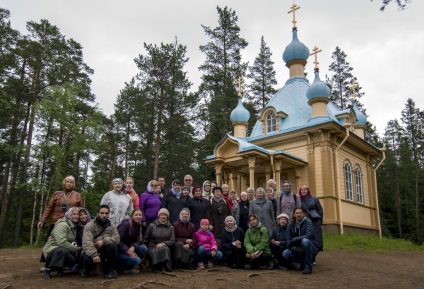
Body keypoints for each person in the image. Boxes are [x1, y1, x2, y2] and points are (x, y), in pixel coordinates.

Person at [37, 176, 84, 242]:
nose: (69, 183)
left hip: (71, 223)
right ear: (64, 183)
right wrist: (42, 220)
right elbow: (49, 208)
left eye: (71, 182)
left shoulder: (77, 195)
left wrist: (83, 222)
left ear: (73, 184)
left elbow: (81, 210)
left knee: (68, 242)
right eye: (67, 182)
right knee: (49, 241)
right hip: (56, 222)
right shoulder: (57, 194)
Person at [81, 205, 120, 279]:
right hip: (92, 249)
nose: (104, 215)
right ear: (97, 214)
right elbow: (87, 242)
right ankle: (87, 270)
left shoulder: (112, 226)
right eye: (102, 213)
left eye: (106, 213)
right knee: (85, 257)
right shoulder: (89, 226)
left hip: (105, 250)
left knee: (113, 247)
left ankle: (109, 271)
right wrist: (94, 254)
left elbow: (117, 239)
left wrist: (104, 241)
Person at [41, 207, 81, 279]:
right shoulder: (63, 225)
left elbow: (88, 217)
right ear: (69, 215)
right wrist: (76, 249)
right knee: (62, 250)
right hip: (51, 249)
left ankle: (63, 268)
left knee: (67, 252)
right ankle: (48, 270)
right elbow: (62, 243)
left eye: (78, 214)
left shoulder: (73, 225)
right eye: (74, 214)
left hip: (63, 249)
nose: (76, 216)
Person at [283, 207, 318, 274]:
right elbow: (288, 239)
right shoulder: (290, 225)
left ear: (303, 214)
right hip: (297, 248)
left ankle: (308, 266)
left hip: (310, 247)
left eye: (300, 213)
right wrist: (294, 248)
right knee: (285, 253)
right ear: (294, 215)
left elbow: (309, 235)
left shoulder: (308, 222)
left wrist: (295, 239)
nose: (298, 214)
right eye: (297, 213)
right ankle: (302, 262)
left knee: (305, 241)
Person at [116, 209, 148, 274]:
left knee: (143, 248)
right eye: (136, 215)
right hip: (121, 250)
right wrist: (127, 251)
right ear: (132, 216)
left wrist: (133, 246)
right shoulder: (125, 225)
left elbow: (138, 240)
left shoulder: (139, 226)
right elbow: (118, 240)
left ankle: (130, 266)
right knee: (137, 260)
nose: (138, 216)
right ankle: (122, 267)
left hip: (130, 248)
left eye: (140, 215)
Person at [299, 185, 324, 252]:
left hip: (315, 220)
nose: (303, 191)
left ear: (308, 190)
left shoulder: (314, 199)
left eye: (305, 189)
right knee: (306, 236)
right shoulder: (298, 199)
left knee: (316, 237)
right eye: (302, 190)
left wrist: (321, 223)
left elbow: (320, 210)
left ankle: (316, 251)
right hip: (304, 220)